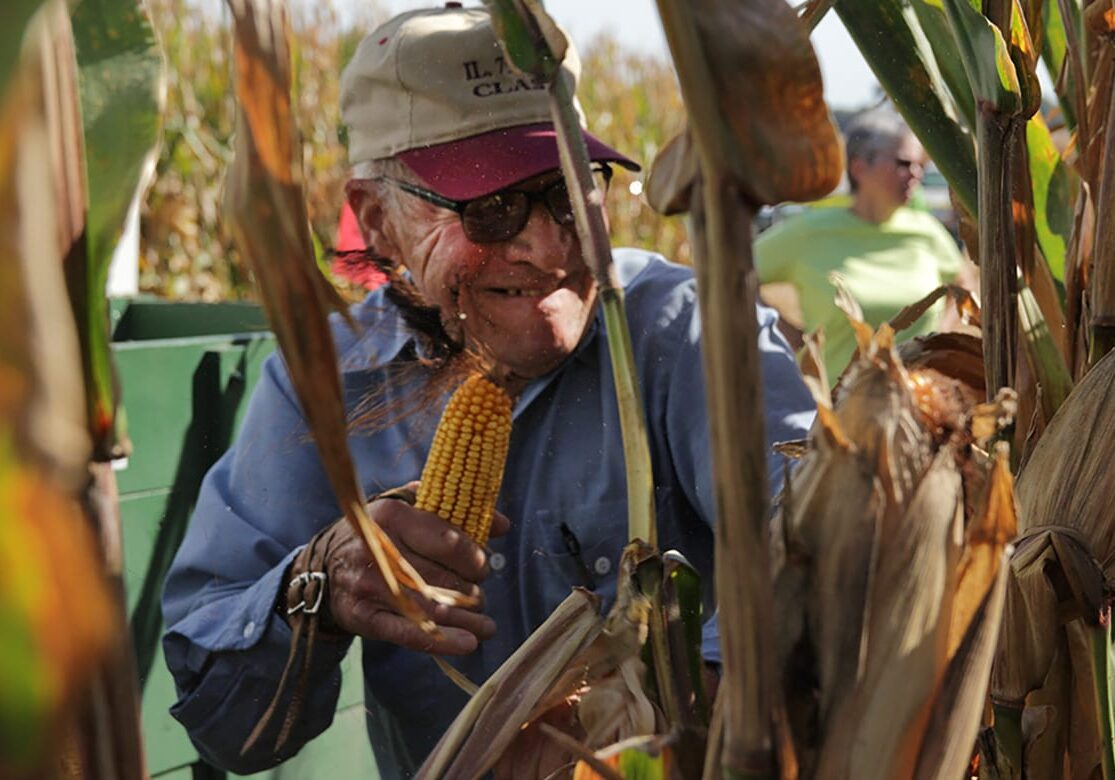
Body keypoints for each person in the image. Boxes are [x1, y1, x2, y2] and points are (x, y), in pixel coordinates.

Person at [161, 4, 814, 777]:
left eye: (570, 190)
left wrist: (661, 711)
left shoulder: (687, 331)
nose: (547, 247)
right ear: (377, 220)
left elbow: (825, 567)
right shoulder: (322, 381)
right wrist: (315, 589)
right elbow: (228, 730)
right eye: (491, 208)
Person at [754, 109, 969, 381]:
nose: (915, 174)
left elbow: (963, 285)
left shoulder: (928, 232)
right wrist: (785, 334)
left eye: (920, 166)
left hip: (919, 409)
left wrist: (942, 335)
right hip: (834, 408)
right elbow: (735, 272)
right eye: (903, 163)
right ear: (859, 168)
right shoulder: (810, 232)